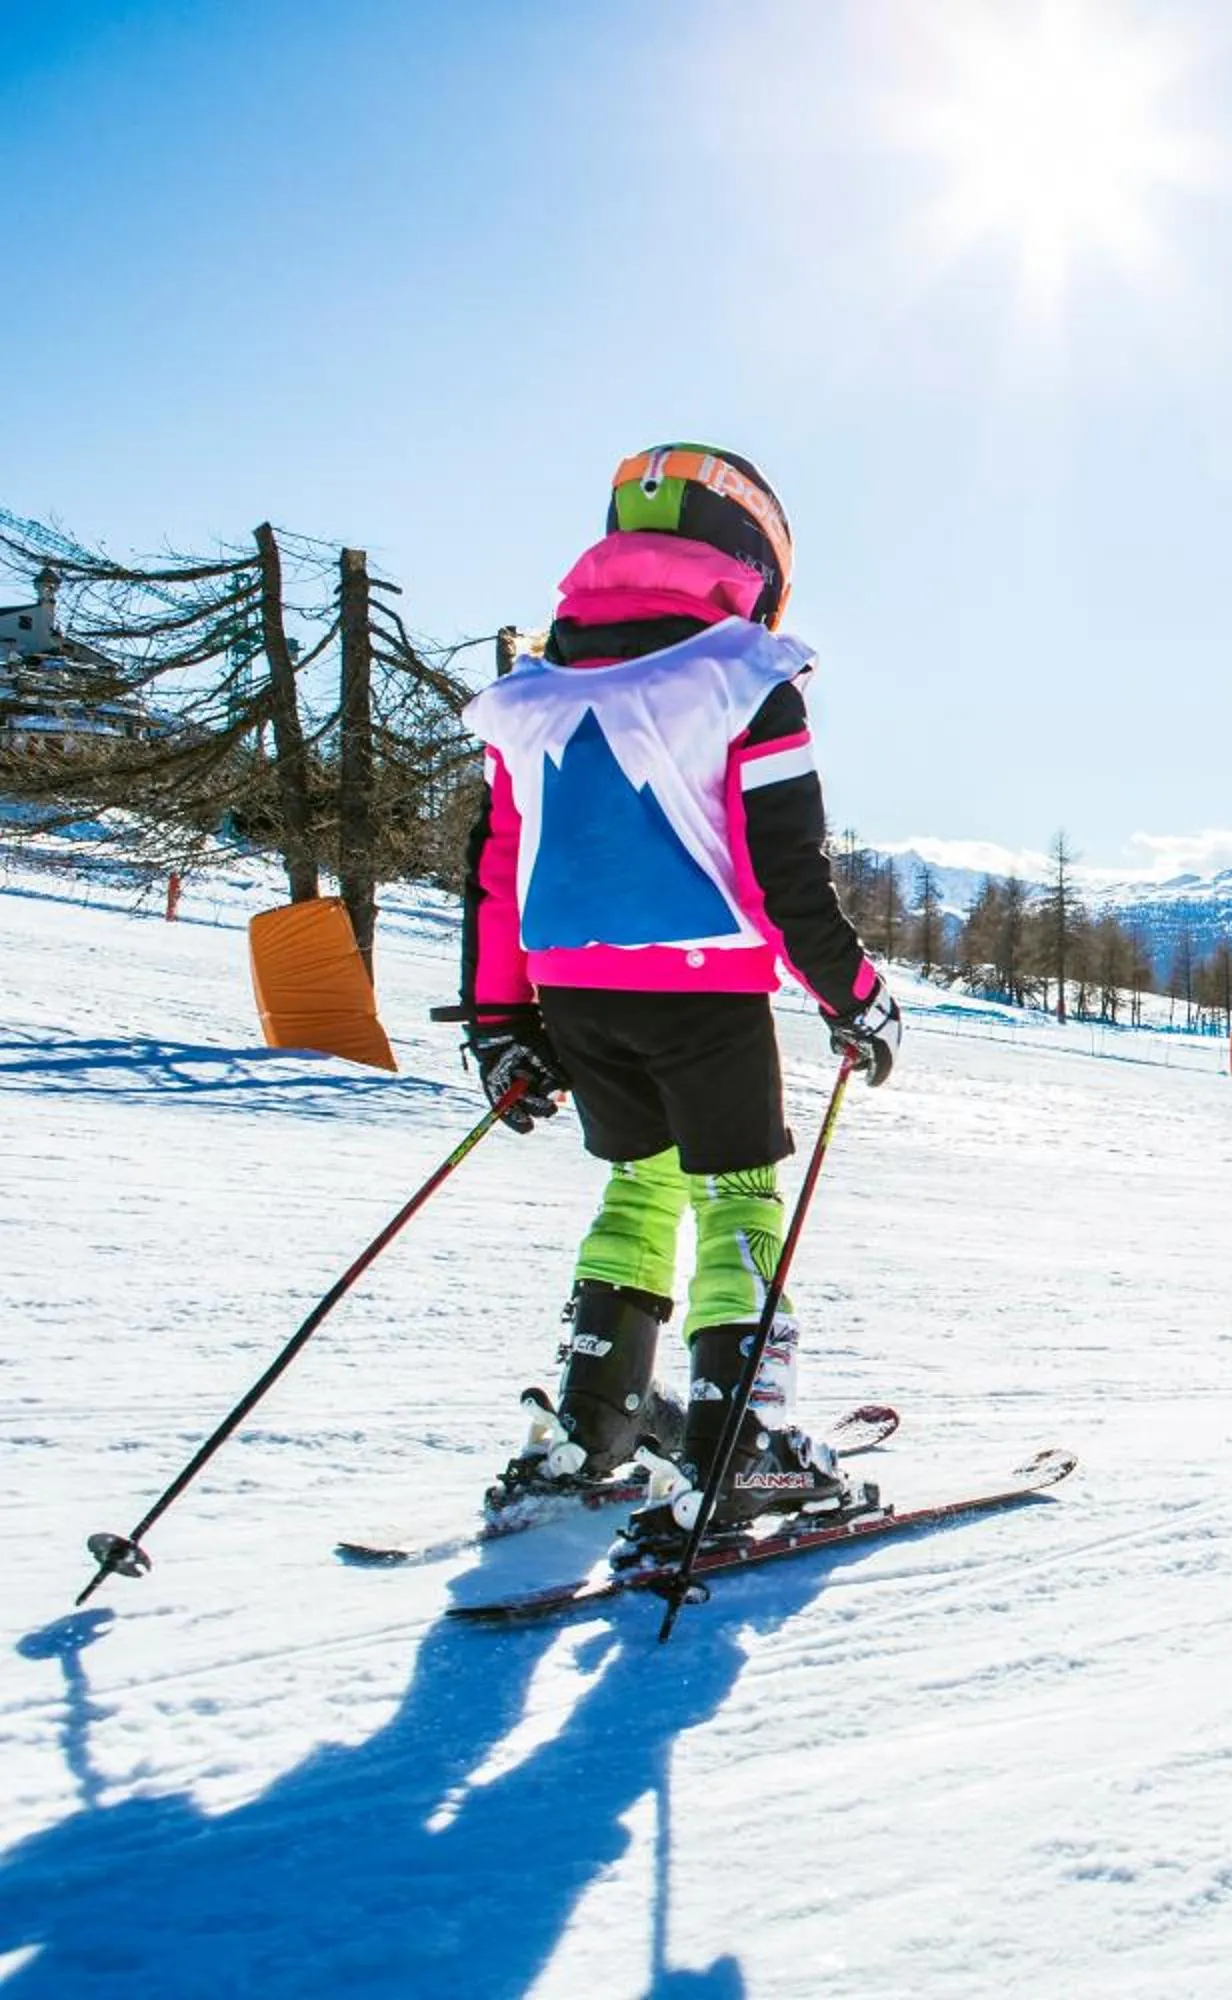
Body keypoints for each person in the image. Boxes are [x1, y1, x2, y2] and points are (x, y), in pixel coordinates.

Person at [453, 442, 904, 1559]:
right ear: (756, 555)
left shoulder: (537, 686)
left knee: (639, 1186)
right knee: (740, 1191)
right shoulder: (746, 674)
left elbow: (500, 862)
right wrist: (856, 998)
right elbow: (786, 873)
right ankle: (738, 1441)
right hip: (701, 992)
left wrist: (502, 1026)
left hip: (575, 992)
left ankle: (592, 1424)